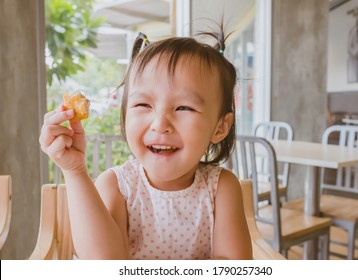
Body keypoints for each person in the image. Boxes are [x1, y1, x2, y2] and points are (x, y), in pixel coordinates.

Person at [39, 30, 252, 260]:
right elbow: (102, 262)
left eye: (184, 108)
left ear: (220, 127)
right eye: (143, 104)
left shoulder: (221, 189)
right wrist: (75, 171)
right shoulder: (118, 187)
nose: (160, 124)